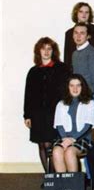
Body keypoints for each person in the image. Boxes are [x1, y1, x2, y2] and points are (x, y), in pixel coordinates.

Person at [24, 37, 70, 175]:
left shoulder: (62, 68)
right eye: (43, 48)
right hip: (37, 114)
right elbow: (28, 95)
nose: (46, 51)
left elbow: (66, 92)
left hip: (54, 113)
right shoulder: (33, 71)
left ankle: (55, 175)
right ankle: (49, 176)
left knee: (51, 144)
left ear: (53, 51)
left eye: (49, 48)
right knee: (41, 144)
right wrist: (27, 115)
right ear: (38, 51)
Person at [52, 74, 94, 173]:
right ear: (68, 87)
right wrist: (65, 139)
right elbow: (59, 125)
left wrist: (73, 139)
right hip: (64, 138)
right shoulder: (61, 104)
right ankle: (63, 185)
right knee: (57, 151)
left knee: (69, 152)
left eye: (78, 85)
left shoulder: (90, 103)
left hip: (82, 138)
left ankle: (73, 186)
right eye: (72, 85)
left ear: (82, 87)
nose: (75, 88)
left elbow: (88, 127)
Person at [64, 2, 94, 66]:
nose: (84, 14)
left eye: (87, 12)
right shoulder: (69, 33)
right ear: (76, 13)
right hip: (75, 71)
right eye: (81, 11)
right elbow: (67, 58)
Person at [71, 23, 94, 104]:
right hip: (77, 97)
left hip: (89, 99)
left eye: (82, 33)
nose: (78, 36)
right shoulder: (74, 53)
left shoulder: (92, 53)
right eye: (76, 33)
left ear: (88, 36)